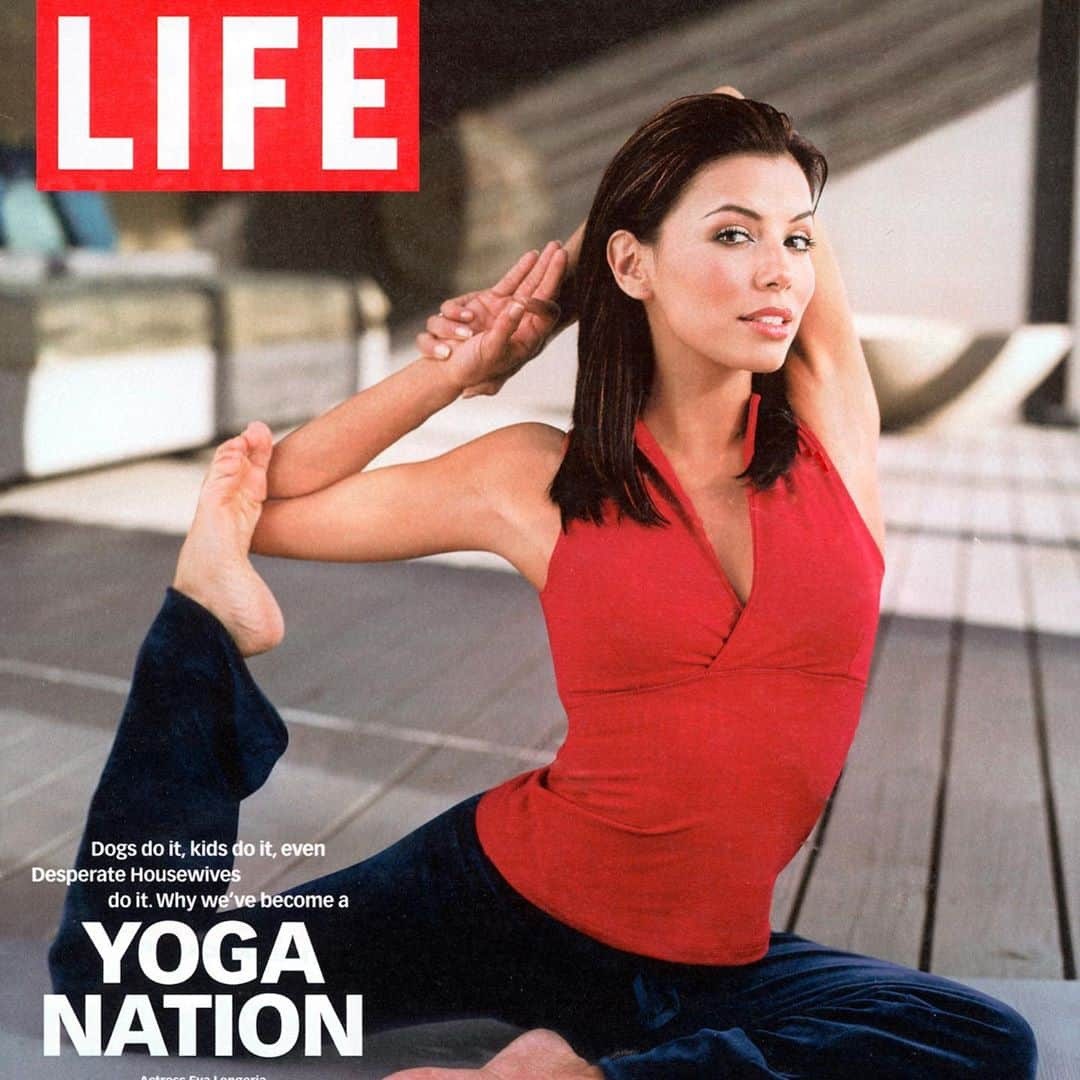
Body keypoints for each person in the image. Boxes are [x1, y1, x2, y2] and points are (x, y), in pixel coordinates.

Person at [49, 89, 1038, 1078]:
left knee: (986, 1043)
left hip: (715, 964)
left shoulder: (831, 430)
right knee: (124, 987)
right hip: (497, 903)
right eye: (735, 234)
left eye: (798, 241)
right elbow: (266, 501)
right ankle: (202, 623)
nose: (779, 271)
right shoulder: (538, 481)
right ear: (631, 262)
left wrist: (592, 274)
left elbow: (734, 104)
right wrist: (469, 363)